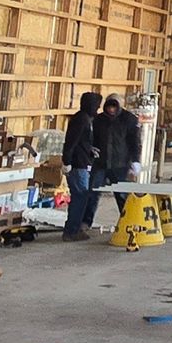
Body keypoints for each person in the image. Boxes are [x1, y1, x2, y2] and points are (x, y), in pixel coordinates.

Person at [60, 88, 102, 240]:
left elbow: (81, 142)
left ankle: (73, 228)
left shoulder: (85, 119)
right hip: (78, 165)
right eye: (96, 107)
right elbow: (71, 142)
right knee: (80, 197)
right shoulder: (81, 120)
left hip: (82, 162)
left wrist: (90, 150)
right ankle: (71, 230)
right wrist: (67, 161)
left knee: (81, 197)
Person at [96, 92, 143, 190]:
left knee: (122, 195)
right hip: (100, 164)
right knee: (93, 194)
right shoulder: (99, 120)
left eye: (114, 107)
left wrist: (135, 160)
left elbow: (134, 142)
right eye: (109, 106)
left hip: (120, 165)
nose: (111, 109)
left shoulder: (129, 119)